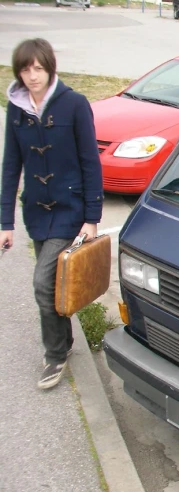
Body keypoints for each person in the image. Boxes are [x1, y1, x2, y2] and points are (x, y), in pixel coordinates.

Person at [0, 38, 103, 389]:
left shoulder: (74, 104)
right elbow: (11, 165)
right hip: (36, 213)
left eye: (38, 69)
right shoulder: (16, 108)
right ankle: (66, 341)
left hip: (70, 211)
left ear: (50, 67)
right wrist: (6, 222)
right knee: (55, 286)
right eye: (25, 69)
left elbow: (91, 163)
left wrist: (92, 218)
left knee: (43, 284)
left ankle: (55, 355)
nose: (32, 76)